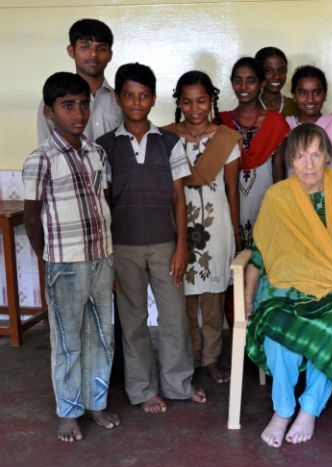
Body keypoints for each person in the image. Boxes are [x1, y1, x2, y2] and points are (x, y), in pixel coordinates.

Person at [244, 124, 332, 448]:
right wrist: (247, 298)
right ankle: (283, 408)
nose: (309, 165)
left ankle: (310, 408)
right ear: (290, 160)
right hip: (286, 287)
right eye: (301, 157)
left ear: (329, 156)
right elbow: (260, 254)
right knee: (276, 330)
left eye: (316, 155)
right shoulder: (278, 197)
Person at [97, 63, 206, 414]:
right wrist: (108, 255)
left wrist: (182, 246)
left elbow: (179, 196)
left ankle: (178, 384)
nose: (136, 102)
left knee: (174, 318)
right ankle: (142, 390)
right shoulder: (105, 147)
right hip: (123, 246)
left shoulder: (170, 142)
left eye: (143, 96)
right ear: (118, 98)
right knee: (133, 322)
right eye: (129, 95)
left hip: (164, 245)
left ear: (153, 99)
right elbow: (105, 202)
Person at [23, 72, 120, 442]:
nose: (77, 113)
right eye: (68, 106)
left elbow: (105, 203)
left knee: (101, 335)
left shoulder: (97, 154)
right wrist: (47, 259)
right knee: (67, 340)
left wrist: (107, 254)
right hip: (64, 263)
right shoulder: (41, 159)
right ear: (50, 112)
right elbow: (32, 216)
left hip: (101, 258)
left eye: (83, 105)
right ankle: (68, 410)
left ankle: (96, 403)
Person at [163, 71, 241, 383]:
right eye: (187, 102)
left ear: (211, 100)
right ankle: (191, 356)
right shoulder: (166, 137)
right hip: (179, 227)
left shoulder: (225, 139)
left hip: (216, 227)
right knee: (184, 298)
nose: (195, 108)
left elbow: (232, 191)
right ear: (179, 103)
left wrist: (236, 234)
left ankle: (211, 358)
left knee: (212, 299)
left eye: (201, 101)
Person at [219, 57, 289, 249]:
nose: (244, 86)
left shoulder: (276, 123)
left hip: (267, 206)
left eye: (251, 80)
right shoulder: (221, 122)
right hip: (228, 209)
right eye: (238, 80)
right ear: (231, 83)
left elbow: (279, 176)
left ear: (261, 84)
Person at [37, 19, 122, 143]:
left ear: (110, 55)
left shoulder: (120, 100)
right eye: (85, 47)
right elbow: (46, 149)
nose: (93, 54)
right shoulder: (54, 99)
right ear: (71, 51)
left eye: (101, 48)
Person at [282, 65, 332, 179]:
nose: (310, 99)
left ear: (325, 94)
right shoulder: (285, 126)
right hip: (293, 195)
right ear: (294, 95)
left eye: (316, 92)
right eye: (303, 93)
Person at [255, 46, 299, 117]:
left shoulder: (297, 106)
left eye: (282, 70)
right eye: (269, 70)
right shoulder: (250, 106)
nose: (277, 76)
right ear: (258, 73)